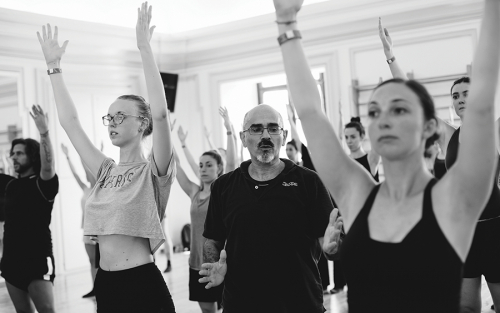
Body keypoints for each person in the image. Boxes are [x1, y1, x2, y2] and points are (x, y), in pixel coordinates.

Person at [275, 0, 499, 312]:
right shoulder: (356, 192)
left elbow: (483, 101)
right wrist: (286, 22)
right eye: (375, 112)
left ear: (430, 126)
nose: (384, 119)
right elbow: (311, 113)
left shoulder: (455, 198)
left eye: (399, 109)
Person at [36, 3, 176, 312]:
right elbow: (70, 123)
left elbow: (163, 116)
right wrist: (54, 68)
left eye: (120, 116)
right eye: (108, 117)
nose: (112, 122)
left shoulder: (155, 170)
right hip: (107, 283)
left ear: (142, 123)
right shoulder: (105, 171)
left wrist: (144, 49)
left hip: (141, 282)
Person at [379, 19, 500, 312]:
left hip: (495, 232)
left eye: (467, 93)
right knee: (466, 308)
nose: (460, 99)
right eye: (456, 96)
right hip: (461, 234)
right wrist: (391, 57)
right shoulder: (447, 134)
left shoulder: (494, 130)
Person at [199, 103, 335, 312]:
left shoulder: (309, 182)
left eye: (273, 128)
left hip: (300, 303)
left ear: (284, 134)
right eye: (256, 129)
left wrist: (333, 250)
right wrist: (215, 262)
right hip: (241, 303)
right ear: (243, 138)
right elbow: (212, 239)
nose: (265, 136)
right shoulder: (224, 187)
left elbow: (329, 243)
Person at [0, 105, 58, 313]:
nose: (13, 157)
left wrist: (44, 132)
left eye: (19, 154)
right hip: (10, 262)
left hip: (37, 261)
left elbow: (48, 165)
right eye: (12, 154)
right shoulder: (10, 185)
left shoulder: (43, 184)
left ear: (32, 157)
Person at [286, 102, 333, 294]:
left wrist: (291, 120)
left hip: (317, 213)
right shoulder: (293, 167)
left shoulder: (317, 162)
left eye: (291, 149)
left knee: (321, 251)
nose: (289, 152)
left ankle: (322, 285)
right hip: (301, 216)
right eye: (287, 149)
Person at [174, 131, 224, 313]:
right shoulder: (194, 192)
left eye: (208, 165)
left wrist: (228, 131)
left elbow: (234, 163)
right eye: (201, 165)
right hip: (197, 261)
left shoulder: (222, 193)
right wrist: (166, 133)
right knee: (206, 309)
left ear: (219, 168)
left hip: (219, 261)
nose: (202, 169)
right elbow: (176, 165)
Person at [61, 143, 97, 298]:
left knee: (99, 262)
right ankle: (95, 288)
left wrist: (83, 155)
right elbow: (76, 173)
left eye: (89, 172)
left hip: (99, 231)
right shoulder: (86, 189)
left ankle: (104, 289)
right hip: (87, 230)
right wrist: (68, 156)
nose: (87, 174)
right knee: (91, 261)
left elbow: (85, 168)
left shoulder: (100, 189)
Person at [344, 117, 380, 181]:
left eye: (353, 137)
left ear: (362, 136)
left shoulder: (371, 159)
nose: (349, 141)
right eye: (346, 137)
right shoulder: (344, 160)